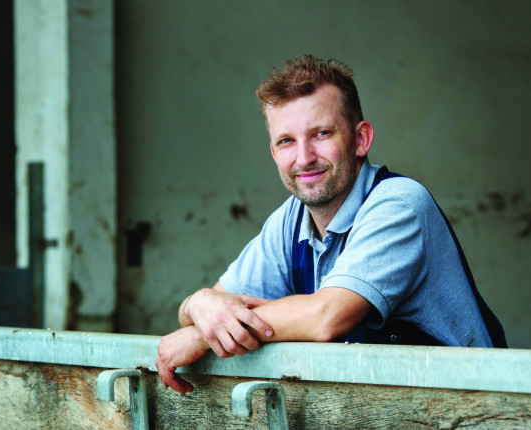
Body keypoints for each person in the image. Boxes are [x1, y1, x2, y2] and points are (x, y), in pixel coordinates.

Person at [155, 55, 506, 394]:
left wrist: (204, 334)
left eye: (322, 133)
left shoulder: (399, 204)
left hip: (468, 411)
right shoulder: (290, 220)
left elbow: (327, 315)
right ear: (274, 153)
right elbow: (217, 305)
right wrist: (197, 303)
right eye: (287, 141)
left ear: (361, 139)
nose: (304, 158)